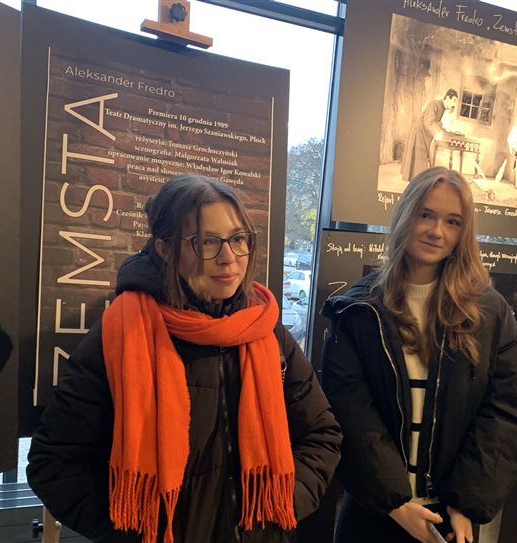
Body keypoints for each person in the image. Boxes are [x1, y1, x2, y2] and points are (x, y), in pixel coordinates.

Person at [28, 174, 342, 543]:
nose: (228, 258)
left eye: (238, 239)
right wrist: (136, 528)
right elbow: (54, 463)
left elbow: (321, 434)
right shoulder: (124, 332)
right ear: (165, 248)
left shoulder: (264, 329)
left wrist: (278, 507)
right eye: (207, 242)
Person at [321, 166, 517, 543]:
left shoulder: (489, 313)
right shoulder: (357, 309)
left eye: (452, 221)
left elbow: (508, 411)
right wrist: (395, 502)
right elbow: (348, 410)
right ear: (406, 215)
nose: (437, 231)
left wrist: (467, 503)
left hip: (450, 517)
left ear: (463, 232)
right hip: (374, 511)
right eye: (426, 215)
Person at [401, 90, 459, 183]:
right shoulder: (434, 104)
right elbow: (428, 123)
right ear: (448, 98)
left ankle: (417, 183)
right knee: (418, 162)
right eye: (454, 101)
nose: (454, 104)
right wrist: (438, 132)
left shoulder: (442, 108)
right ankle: (416, 184)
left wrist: (441, 130)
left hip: (424, 135)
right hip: (419, 134)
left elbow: (435, 122)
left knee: (421, 163)